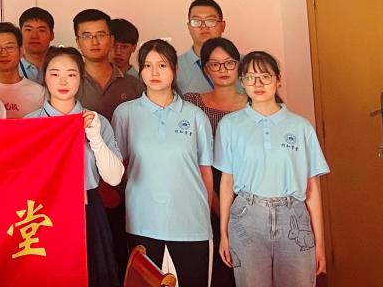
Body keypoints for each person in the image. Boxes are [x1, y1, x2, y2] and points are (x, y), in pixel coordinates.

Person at [215, 52, 329, 287]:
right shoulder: (230, 125)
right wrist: (223, 233)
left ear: (278, 80)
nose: (258, 84)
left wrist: (320, 244)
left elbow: (311, 187)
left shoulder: (301, 127)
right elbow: (227, 182)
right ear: (242, 82)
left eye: (265, 76)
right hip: (247, 216)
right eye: (250, 77)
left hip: (293, 215)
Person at [113, 39, 214, 287]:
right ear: (140, 71)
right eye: (147, 65)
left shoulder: (195, 116)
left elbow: (205, 172)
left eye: (162, 65)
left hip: (191, 223)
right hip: (142, 220)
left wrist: (205, 213)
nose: (154, 72)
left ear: (175, 69)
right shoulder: (125, 113)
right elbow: (117, 170)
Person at [26, 47, 123, 287]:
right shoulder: (30, 124)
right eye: (55, 74)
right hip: (42, 212)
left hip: (87, 209)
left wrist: (95, 137)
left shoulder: (96, 121)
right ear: (44, 77)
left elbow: (114, 178)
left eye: (71, 74)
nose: (63, 81)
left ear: (81, 78)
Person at [183, 38, 246, 287]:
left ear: (238, 66)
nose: (223, 69)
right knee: (218, 268)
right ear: (205, 69)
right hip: (206, 188)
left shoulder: (255, 103)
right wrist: (216, 204)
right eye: (214, 64)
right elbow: (191, 156)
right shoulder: (193, 102)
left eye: (229, 63)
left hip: (248, 190)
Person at [74, 9, 143, 122]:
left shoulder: (134, 85)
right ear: (77, 42)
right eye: (87, 36)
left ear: (111, 40)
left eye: (100, 35)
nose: (94, 42)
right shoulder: (68, 84)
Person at [178, 0, 229, 95]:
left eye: (210, 20)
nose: (203, 26)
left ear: (223, 26)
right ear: (189, 27)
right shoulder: (175, 67)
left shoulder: (244, 64)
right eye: (196, 21)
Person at [18, 7, 55, 84]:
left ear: (52, 35)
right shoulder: (10, 68)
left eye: (41, 30)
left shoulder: (62, 66)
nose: (34, 36)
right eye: (28, 30)